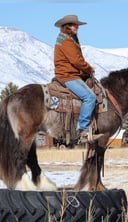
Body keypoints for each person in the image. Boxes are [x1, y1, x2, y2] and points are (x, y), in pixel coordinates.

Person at [53, 14, 103, 143]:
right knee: (90, 97)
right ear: (65, 27)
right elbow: (76, 60)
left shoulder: (70, 38)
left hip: (71, 74)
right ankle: (83, 130)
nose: (75, 27)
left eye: (76, 25)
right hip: (68, 75)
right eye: (72, 25)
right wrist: (89, 69)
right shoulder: (67, 41)